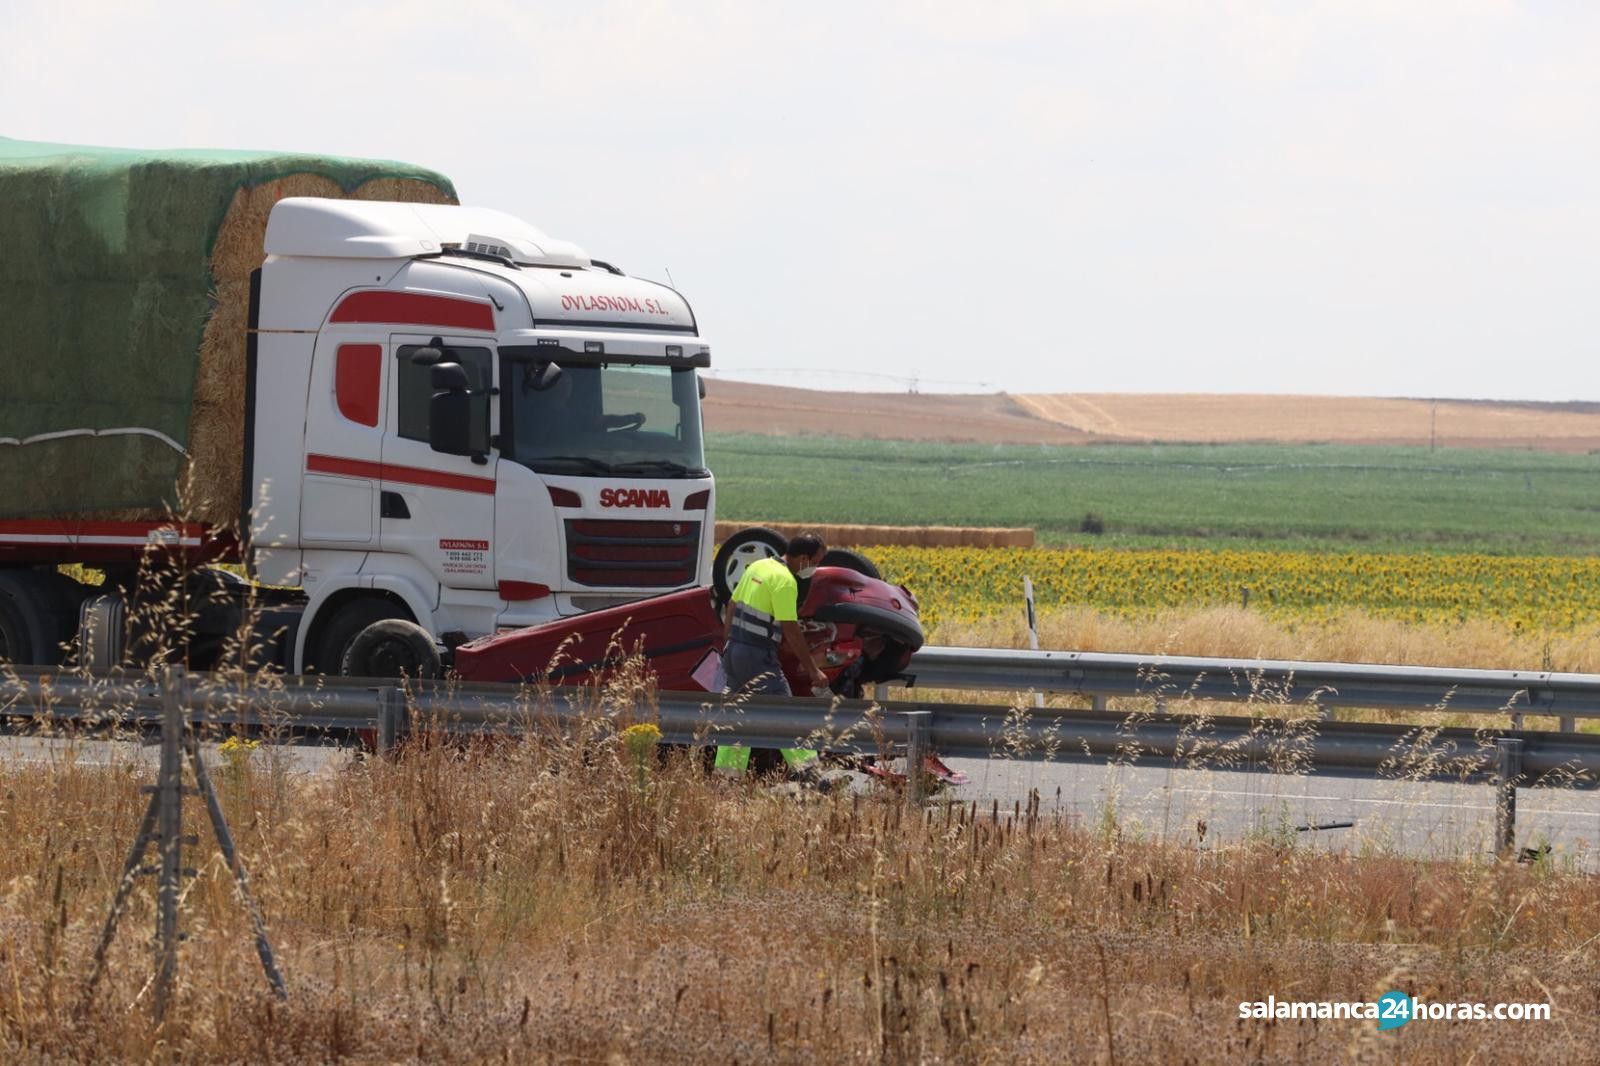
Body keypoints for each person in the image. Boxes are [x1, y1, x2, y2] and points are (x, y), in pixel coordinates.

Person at [714, 531, 831, 776]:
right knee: (785, 711)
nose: (816, 568)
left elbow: (732, 605)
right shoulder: (785, 581)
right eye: (816, 562)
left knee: (736, 715)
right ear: (802, 558)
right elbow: (790, 628)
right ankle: (811, 774)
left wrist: (729, 645)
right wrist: (813, 670)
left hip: (735, 652)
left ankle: (727, 777)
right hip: (758, 657)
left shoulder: (759, 566)